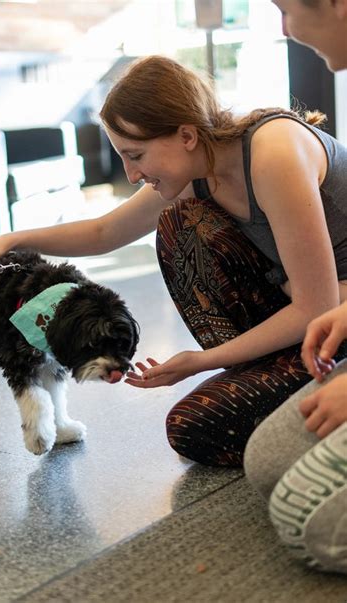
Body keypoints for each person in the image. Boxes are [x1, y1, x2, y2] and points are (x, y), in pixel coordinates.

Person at [0, 51, 347, 467]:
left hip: (331, 324)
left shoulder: (272, 152)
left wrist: (200, 362)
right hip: (307, 321)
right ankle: (277, 376)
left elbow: (317, 306)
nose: (132, 175)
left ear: (186, 135)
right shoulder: (197, 169)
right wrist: (6, 241)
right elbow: (104, 232)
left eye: (136, 155)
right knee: (180, 227)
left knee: (198, 426)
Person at [244, 0, 347, 574]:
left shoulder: (275, 149)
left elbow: (312, 300)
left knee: (308, 520)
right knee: (267, 460)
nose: (284, 27)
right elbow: (111, 227)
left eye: (285, 8)